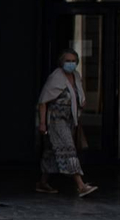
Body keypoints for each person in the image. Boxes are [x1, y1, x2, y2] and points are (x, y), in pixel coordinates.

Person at [36, 48, 98, 198]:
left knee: (52, 151)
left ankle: (42, 182)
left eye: (73, 61)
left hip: (70, 120)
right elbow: (43, 101)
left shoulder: (76, 76)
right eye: (67, 61)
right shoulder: (56, 77)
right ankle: (80, 185)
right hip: (56, 120)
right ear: (61, 62)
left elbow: (79, 96)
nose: (71, 64)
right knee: (68, 149)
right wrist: (43, 123)